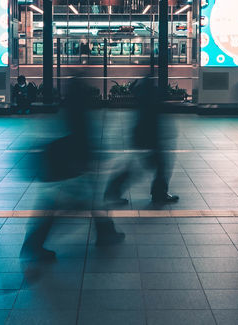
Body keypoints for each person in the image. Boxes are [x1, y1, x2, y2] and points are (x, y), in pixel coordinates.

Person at [21, 79, 123, 260]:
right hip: (75, 160)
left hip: (74, 158)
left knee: (84, 200)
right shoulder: (78, 98)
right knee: (67, 203)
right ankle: (33, 244)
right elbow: (82, 130)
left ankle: (105, 231)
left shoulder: (71, 98)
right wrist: (89, 156)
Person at [104, 79, 178, 207]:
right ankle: (157, 194)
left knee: (146, 167)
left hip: (144, 136)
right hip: (148, 136)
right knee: (154, 166)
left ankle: (113, 193)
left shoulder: (144, 89)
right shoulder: (148, 89)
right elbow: (152, 113)